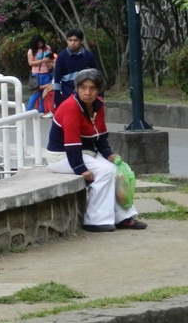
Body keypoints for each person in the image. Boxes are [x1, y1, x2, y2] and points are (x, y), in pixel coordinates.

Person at [47, 69, 147, 232]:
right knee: (104, 172)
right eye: (83, 88)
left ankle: (122, 217)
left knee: (115, 170)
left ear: (99, 90)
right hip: (62, 156)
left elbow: (101, 136)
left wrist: (108, 154)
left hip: (85, 152)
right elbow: (71, 144)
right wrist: (80, 169)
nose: (87, 93)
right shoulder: (71, 107)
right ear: (77, 89)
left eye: (92, 88)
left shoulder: (98, 104)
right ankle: (95, 220)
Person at [52, 29, 99, 108]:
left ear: (81, 41)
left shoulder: (88, 56)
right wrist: (57, 98)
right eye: (70, 40)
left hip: (86, 96)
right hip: (68, 96)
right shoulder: (61, 57)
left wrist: (99, 94)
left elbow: (95, 76)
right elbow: (57, 80)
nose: (72, 43)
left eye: (75, 40)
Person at [25, 34, 54, 114]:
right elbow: (30, 63)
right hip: (37, 74)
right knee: (36, 92)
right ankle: (28, 110)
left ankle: (42, 110)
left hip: (47, 73)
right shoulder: (31, 51)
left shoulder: (47, 48)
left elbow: (52, 56)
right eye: (38, 44)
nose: (40, 45)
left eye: (41, 43)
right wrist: (42, 61)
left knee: (44, 92)